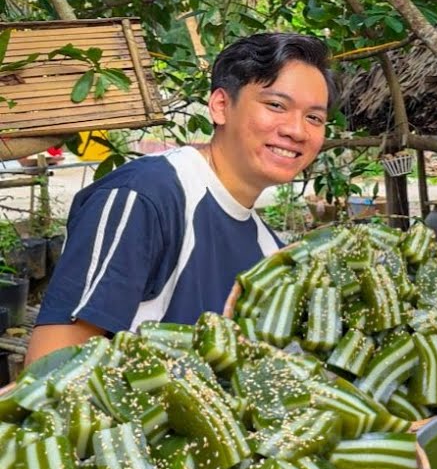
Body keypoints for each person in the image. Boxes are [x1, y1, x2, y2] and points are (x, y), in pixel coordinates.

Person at [28, 33, 334, 364]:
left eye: (314, 118)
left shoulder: (270, 250)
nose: (296, 130)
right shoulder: (144, 196)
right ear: (220, 106)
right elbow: (49, 367)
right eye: (276, 105)